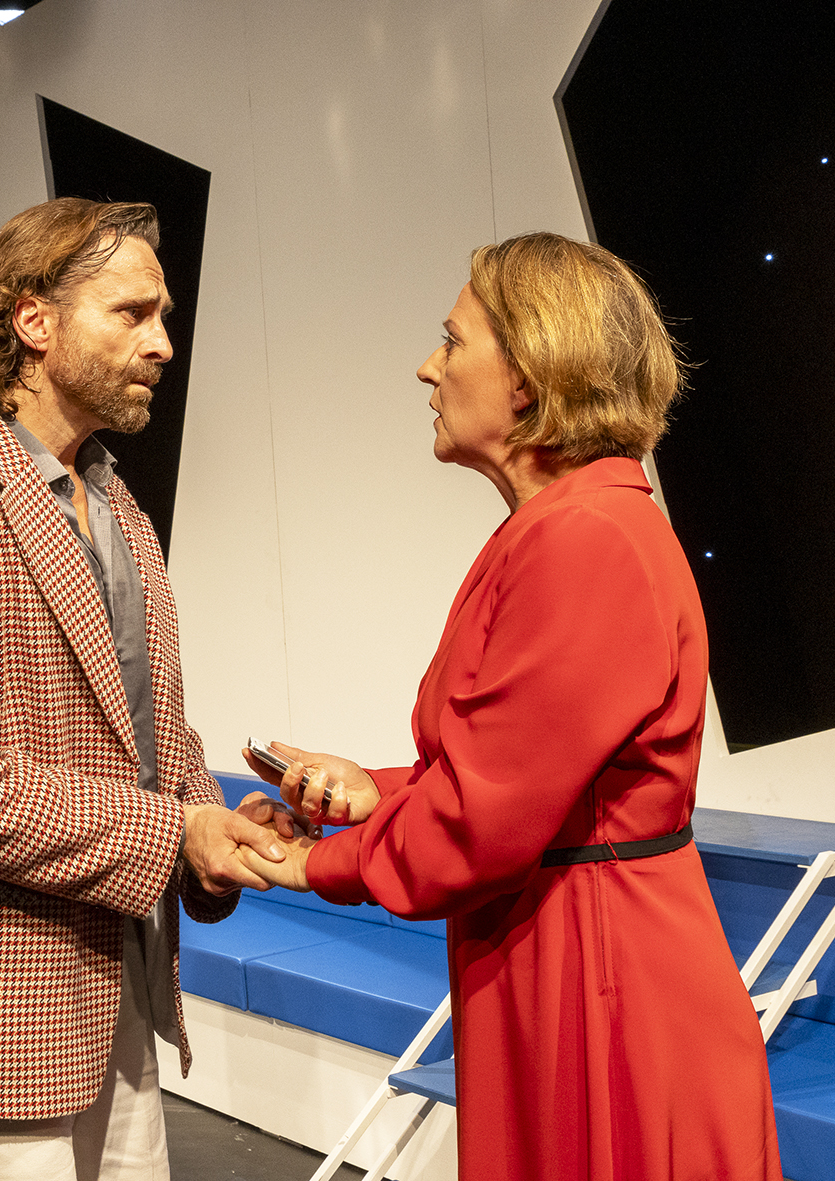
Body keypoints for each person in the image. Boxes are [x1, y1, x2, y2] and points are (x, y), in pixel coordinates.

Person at [236, 232, 781, 1180]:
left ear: (527, 378)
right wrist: (378, 788)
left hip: (599, 976)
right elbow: (514, 764)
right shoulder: (565, 526)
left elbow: (485, 820)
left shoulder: (585, 539)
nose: (428, 366)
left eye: (452, 341)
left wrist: (313, 861)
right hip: (564, 949)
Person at [0, 198, 291, 1181]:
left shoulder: (115, 500)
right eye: (131, 313)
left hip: (117, 981)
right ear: (34, 322)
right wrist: (173, 833)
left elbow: (148, 725)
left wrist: (213, 831)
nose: (162, 344)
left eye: (162, 316)